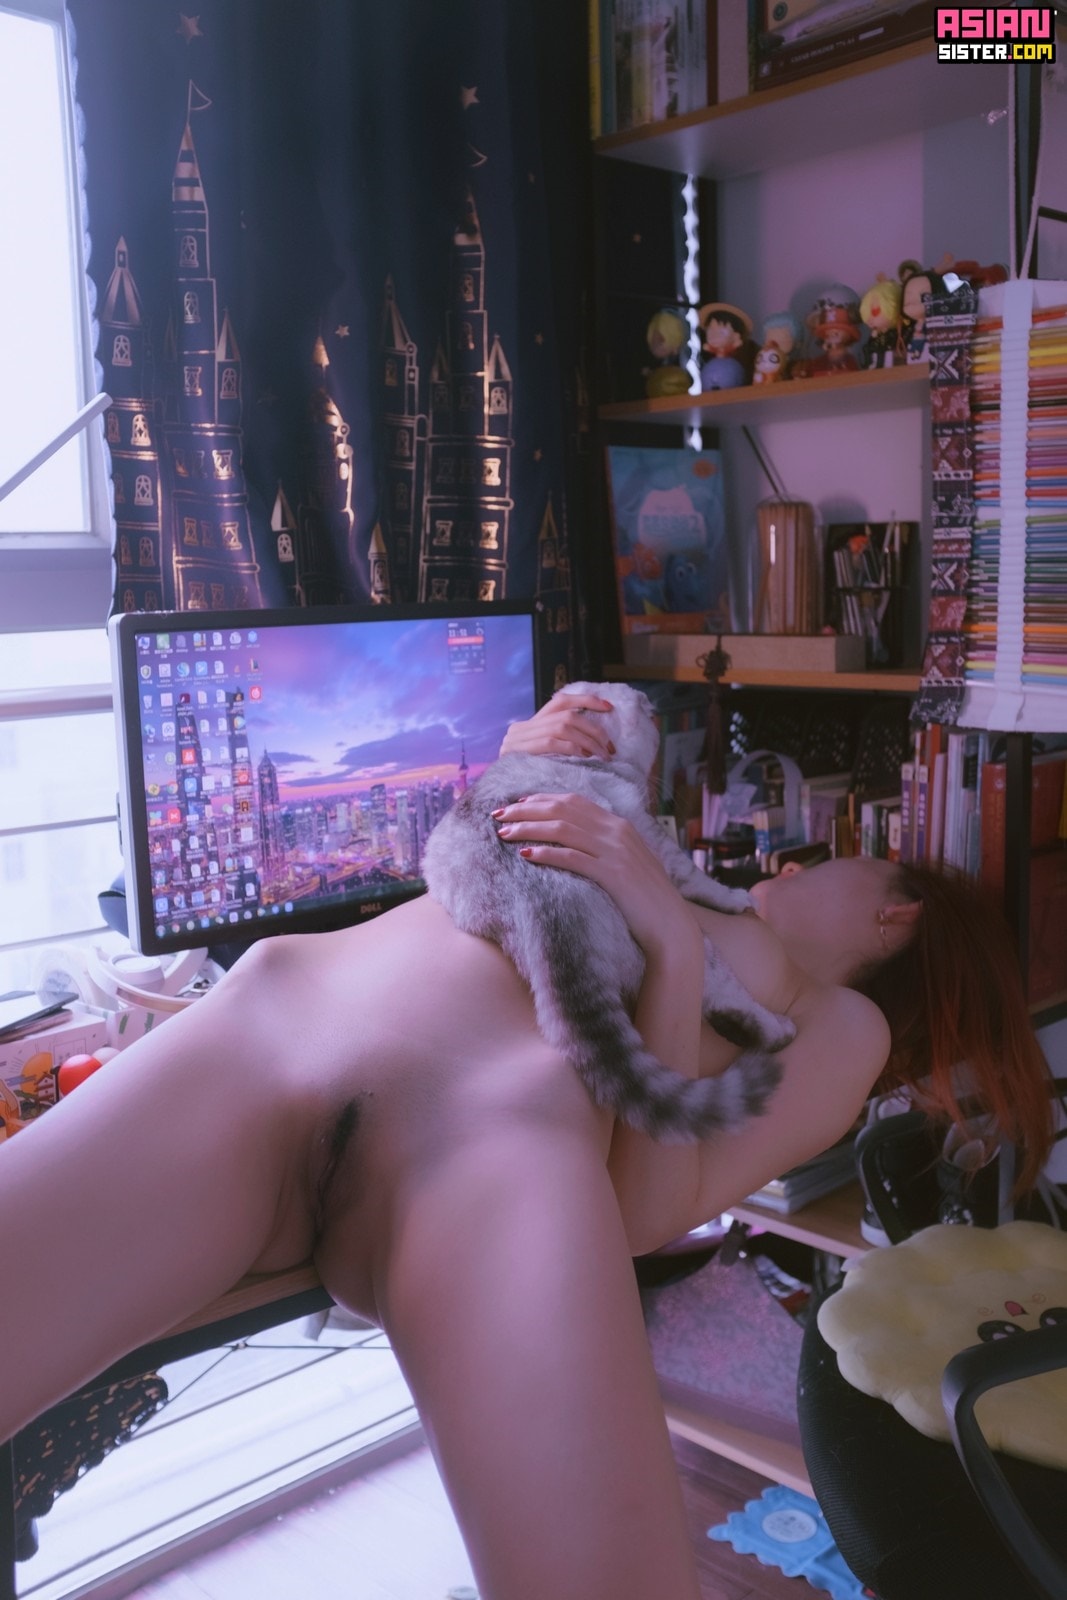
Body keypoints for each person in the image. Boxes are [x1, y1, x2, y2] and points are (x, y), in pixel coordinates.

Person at [0, 689, 1055, 1600]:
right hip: (274, 1020)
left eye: (848, 862)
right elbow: (482, 892)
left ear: (895, 915)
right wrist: (523, 764)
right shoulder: (686, 872)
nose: (796, 860)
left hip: (485, 1154)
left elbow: (646, 1209)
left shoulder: (840, 1023)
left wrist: (666, 936)